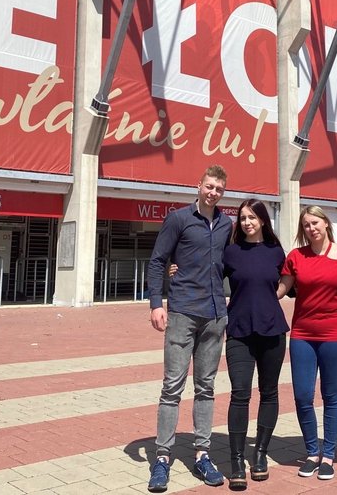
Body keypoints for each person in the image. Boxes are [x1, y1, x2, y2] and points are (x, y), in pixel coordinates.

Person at [146, 165, 232, 493]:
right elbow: (157, 260)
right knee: (172, 387)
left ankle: (202, 453)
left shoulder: (228, 225)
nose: (213, 192)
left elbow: (238, 261)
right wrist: (157, 303)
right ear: (198, 185)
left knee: (206, 387)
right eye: (209, 186)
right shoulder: (179, 219)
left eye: (219, 189)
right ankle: (163, 458)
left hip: (214, 316)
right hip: (182, 311)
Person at [277, 205, 337, 482]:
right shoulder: (296, 256)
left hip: (336, 334)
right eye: (306, 225)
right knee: (302, 395)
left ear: (326, 224)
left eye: (315, 222)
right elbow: (281, 290)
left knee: (331, 396)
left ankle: (328, 455)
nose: (312, 228)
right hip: (302, 335)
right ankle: (311, 452)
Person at [223, 199, 289, 491]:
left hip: (272, 330)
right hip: (238, 331)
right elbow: (209, 277)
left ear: (263, 220)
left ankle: (259, 453)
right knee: (239, 393)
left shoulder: (276, 252)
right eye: (243, 217)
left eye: (252, 217)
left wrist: (277, 293)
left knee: (269, 392)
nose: (247, 222)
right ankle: (236, 460)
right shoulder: (231, 252)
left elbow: (290, 278)